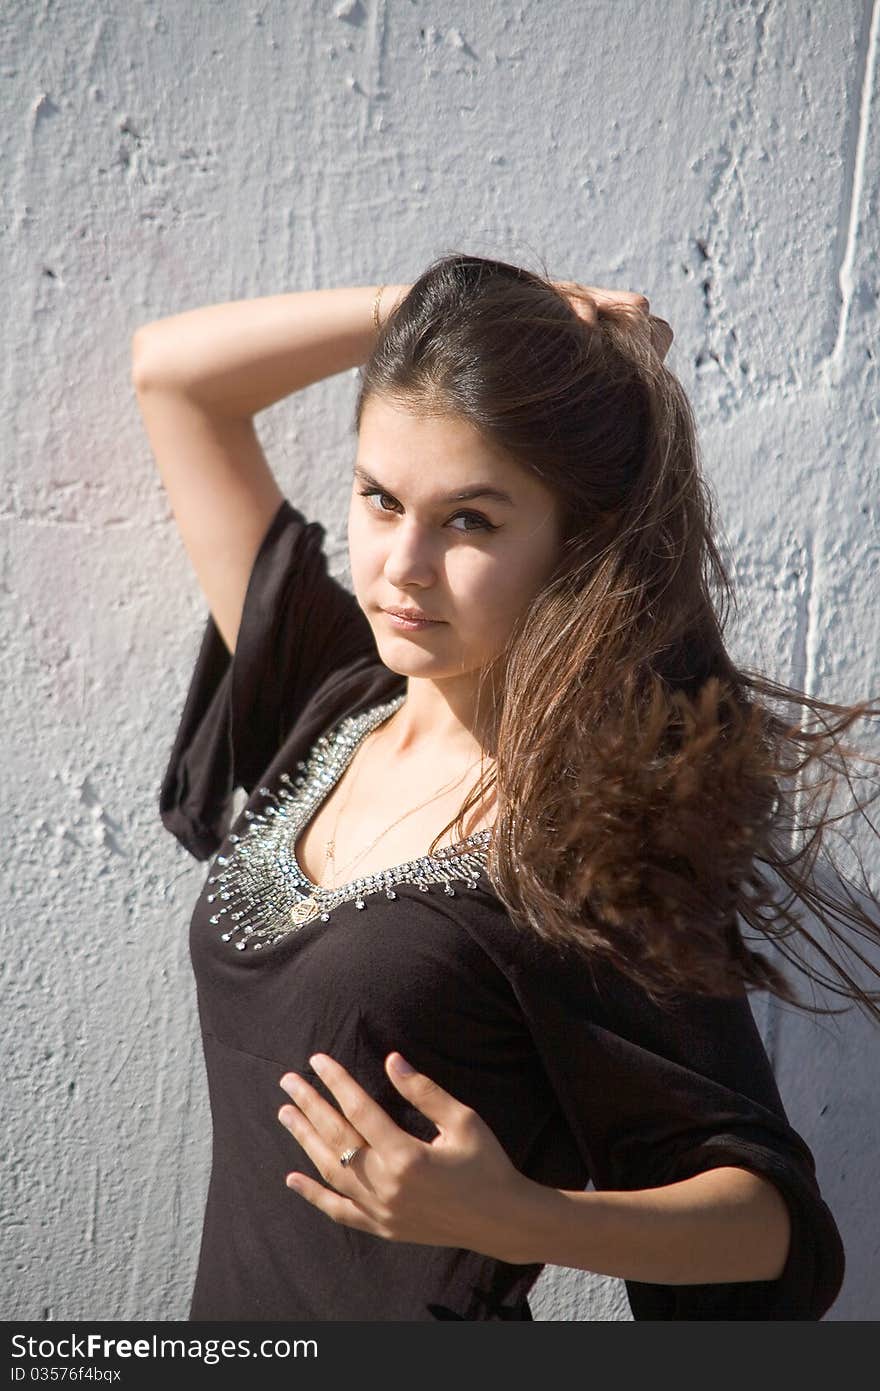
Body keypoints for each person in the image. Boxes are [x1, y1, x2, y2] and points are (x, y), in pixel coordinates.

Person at [133, 253, 879, 1321]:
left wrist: (513, 1213)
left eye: (470, 520)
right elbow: (174, 378)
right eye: (380, 499)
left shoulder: (593, 839)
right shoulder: (333, 695)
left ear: (572, 544)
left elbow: (772, 1227)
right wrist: (440, 310)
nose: (403, 564)